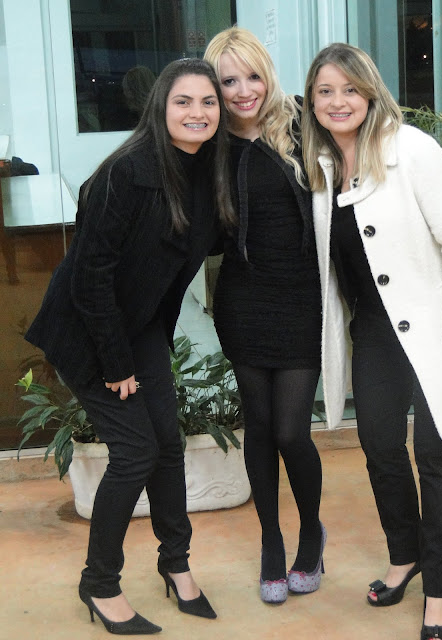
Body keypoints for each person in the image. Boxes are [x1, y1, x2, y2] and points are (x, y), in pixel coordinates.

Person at [25, 57, 235, 635]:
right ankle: (99, 583)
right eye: (183, 102)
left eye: (208, 102)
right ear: (160, 106)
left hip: (138, 326)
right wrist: (116, 364)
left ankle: (176, 564)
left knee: (167, 442)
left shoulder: (205, 170)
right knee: (137, 451)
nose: (197, 112)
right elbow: (90, 277)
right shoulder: (127, 172)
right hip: (88, 331)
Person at [302, 42, 442, 640]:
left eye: (349, 89)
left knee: (436, 456)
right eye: (325, 91)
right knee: (379, 445)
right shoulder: (321, 168)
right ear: (312, 102)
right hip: (375, 334)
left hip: (436, 330)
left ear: (371, 92)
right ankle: (405, 555)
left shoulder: (414, 150)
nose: (338, 101)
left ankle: (440, 592)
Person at [204, 27, 325, 605]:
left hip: (303, 300)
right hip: (244, 301)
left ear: (268, 75)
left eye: (252, 76)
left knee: (291, 431)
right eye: (228, 81)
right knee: (258, 426)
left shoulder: (302, 125)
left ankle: (311, 534)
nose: (243, 91)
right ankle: (271, 542)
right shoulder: (209, 144)